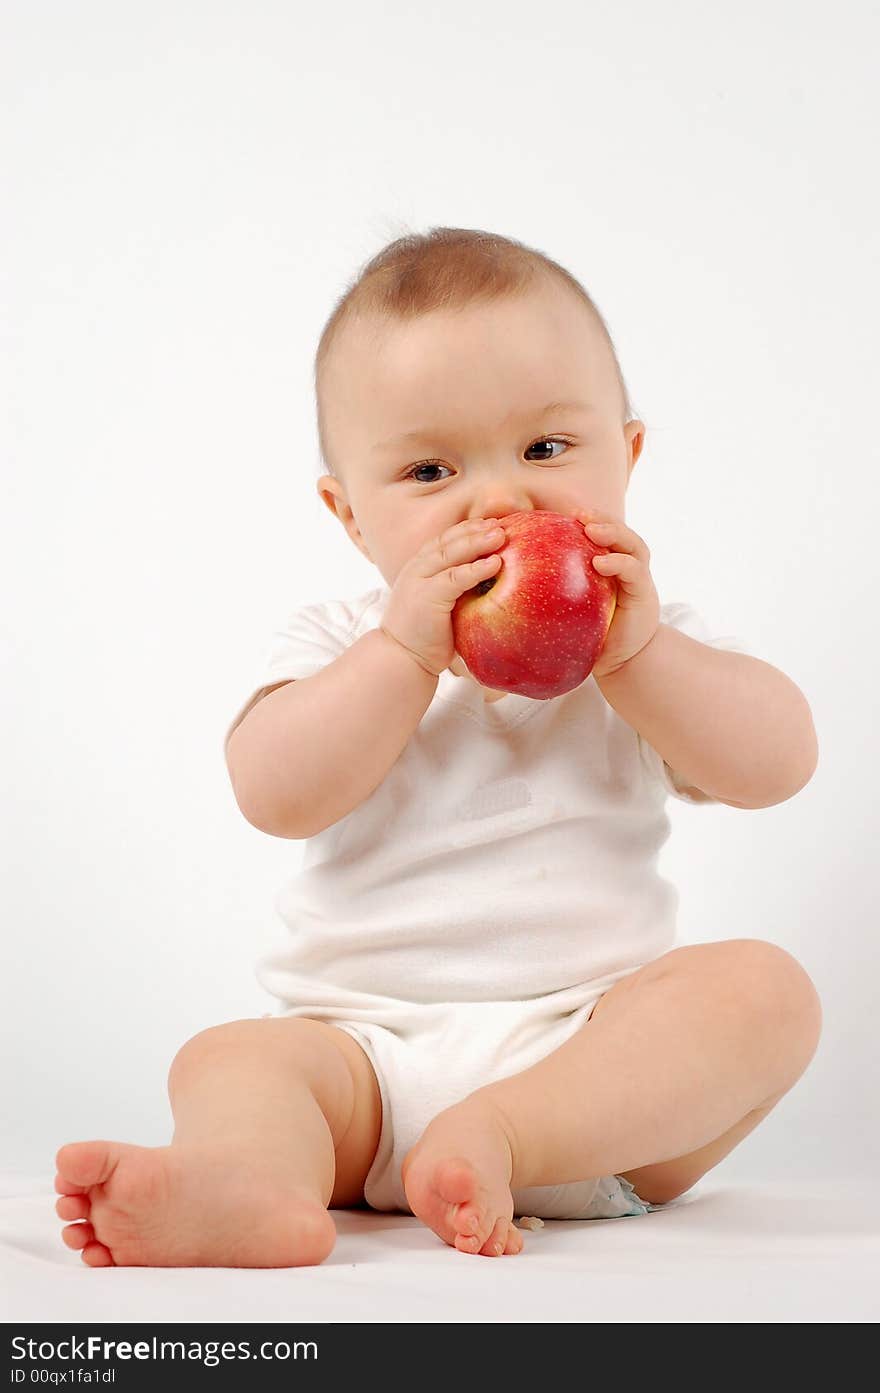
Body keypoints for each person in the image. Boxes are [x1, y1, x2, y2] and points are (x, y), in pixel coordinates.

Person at [54, 228, 823, 1267]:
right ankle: (251, 1180)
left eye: (547, 451)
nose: (503, 501)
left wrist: (638, 659)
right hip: (364, 1064)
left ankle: (501, 1134)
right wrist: (399, 656)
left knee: (764, 995)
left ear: (627, 458)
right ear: (352, 517)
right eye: (429, 469)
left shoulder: (643, 641)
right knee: (234, 1058)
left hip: (593, 1077)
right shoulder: (342, 644)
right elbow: (272, 792)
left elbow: (776, 762)